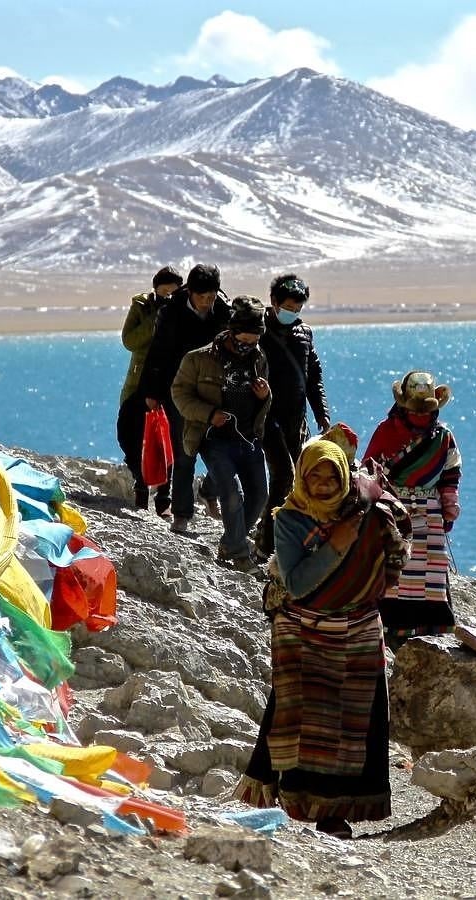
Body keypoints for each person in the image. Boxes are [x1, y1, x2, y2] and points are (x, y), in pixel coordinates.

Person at [234, 438, 410, 838]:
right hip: (304, 630)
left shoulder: (364, 511)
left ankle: (338, 812)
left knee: (357, 719)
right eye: (316, 474)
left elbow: (391, 554)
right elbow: (297, 584)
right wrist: (336, 545)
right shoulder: (290, 521)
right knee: (305, 718)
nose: (325, 483)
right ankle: (299, 801)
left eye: (334, 475)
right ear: (302, 477)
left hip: (360, 627)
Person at [362, 371, 462, 644]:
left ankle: (432, 625)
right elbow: (370, 470)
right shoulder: (386, 431)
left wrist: (449, 504)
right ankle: (389, 627)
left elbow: (450, 473)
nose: (421, 417)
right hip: (393, 509)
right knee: (395, 564)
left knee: (431, 567)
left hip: (430, 511)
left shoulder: (443, 437)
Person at [172, 296, 270, 572]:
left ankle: (230, 542)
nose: (248, 346)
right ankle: (240, 555)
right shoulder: (198, 359)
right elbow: (179, 394)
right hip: (214, 439)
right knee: (230, 493)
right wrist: (209, 414)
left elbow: (264, 397)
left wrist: (265, 396)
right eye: (244, 340)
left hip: (249, 437)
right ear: (232, 331)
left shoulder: (259, 357)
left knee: (259, 495)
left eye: (254, 341)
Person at [138, 263, 230, 530]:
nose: (205, 303)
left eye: (210, 297)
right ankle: (182, 515)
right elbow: (157, 354)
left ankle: (209, 491)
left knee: (221, 449)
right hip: (180, 392)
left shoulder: (224, 313)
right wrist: (152, 392)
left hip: (215, 392)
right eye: (201, 297)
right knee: (184, 452)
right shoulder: (171, 312)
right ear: (190, 292)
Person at [253, 273, 331, 561]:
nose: (293, 314)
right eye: (288, 308)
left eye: (298, 309)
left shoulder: (304, 334)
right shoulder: (257, 329)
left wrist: (322, 414)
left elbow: (314, 378)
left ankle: (292, 538)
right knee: (283, 474)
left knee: (303, 478)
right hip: (265, 418)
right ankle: (265, 543)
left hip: (295, 422)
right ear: (273, 302)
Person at [116, 265, 183, 512]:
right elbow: (130, 340)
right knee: (128, 434)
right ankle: (140, 481)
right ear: (155, 290)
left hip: (169, 382)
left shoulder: (184, 311)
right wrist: (157, 318)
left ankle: (164, 497)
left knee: (167, 438)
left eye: (173, 293)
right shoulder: (142, 307)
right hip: (139, 382)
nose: (168, 297)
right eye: (164, 292)